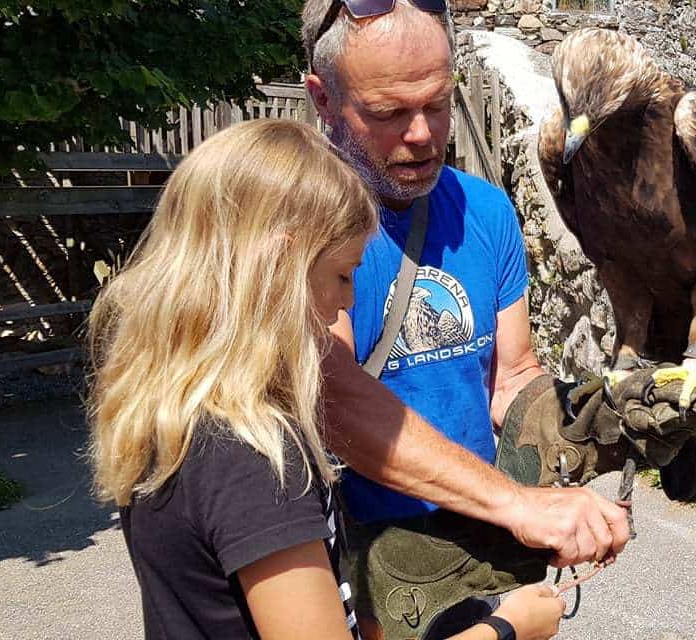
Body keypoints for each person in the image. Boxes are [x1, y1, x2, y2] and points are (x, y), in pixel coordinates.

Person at [301, 2, 696, 638]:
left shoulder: (486, 211)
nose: (422, 134)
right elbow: (335, 400)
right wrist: (520, 503)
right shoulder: (296, 220)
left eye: (438, 103)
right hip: (367, 551)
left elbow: (510, 377)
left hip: (486, 546)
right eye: (389, 113)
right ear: (324, 101)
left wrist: (593, 421)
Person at [88, 119, 567, 640]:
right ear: (277, 266)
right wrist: (507, 627)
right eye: (343, 274)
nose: (348, 300)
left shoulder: (180, 417)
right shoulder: (251, 459)